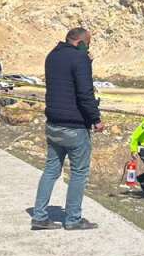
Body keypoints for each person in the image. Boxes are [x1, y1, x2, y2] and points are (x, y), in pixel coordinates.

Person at [31, 27, 103, 231]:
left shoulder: (52, 56)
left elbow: (65, 81)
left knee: (51, 170)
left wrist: (85, 61)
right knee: (79, 172)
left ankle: (39, 215)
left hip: (53, 123)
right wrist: (96, 119)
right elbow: (84, 92)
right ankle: (73, 219)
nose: (88, 47)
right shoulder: (79, 59)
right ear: (80, 42)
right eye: (87, 43)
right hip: (74, 126)